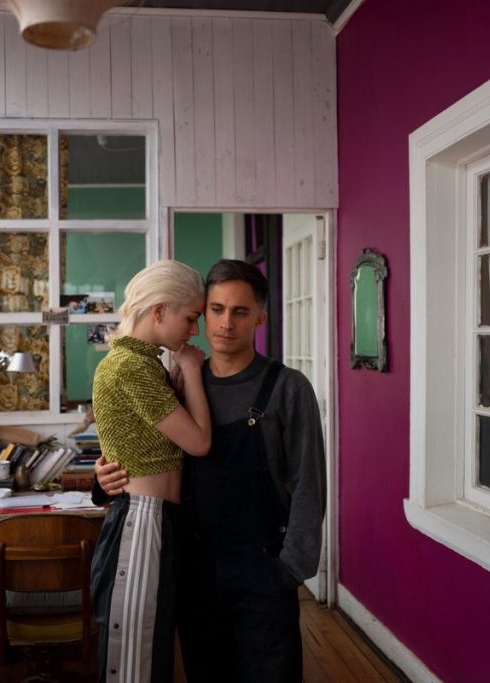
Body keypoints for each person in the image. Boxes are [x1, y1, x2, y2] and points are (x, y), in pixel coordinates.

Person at [95, 259, 327, 683]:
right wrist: (104, 478)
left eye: (240, 312)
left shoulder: (289, 388)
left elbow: (310, 485)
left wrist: (290, 570)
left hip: (263, 570)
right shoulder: (177, 382)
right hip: (192, 566)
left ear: (261, 316)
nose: (225, 323)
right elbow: (145, 450)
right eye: (215, 310)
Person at [89, 260, 212, 683]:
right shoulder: (129, 366)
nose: (193, 330)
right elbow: (198, 442)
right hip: (142, 520)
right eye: (190, 317)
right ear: (159, 311)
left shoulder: (144, 364)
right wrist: (193, 369)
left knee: (149, 650)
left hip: (157, 519)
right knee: (134, 660)